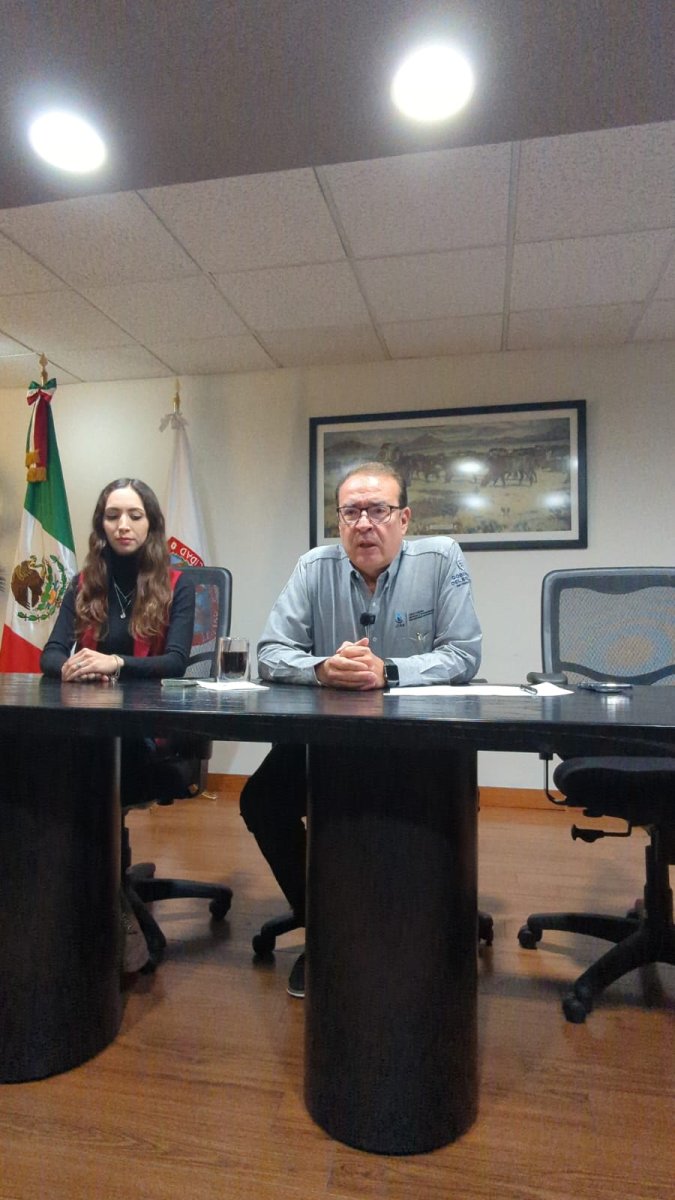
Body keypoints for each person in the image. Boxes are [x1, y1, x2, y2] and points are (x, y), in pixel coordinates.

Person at [240, 460, 482, 997]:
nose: (364, 524)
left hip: (415, 745)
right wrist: (323, 667)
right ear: (339, 520)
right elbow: (271, 652)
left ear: (404, 519)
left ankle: (426, 930)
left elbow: (463, 654)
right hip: (327, 743)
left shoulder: (441, 559)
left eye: (378, 510)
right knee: (262, 801)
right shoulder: (313, 567)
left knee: (422, 810)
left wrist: (388, 670)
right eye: (351, 512)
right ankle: (323, 927)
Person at [41, 477, 195, 972]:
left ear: (151, 524)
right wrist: (70, 666)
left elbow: (176, 662)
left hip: (145, 733)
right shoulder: (84, 583)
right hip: (89, 728)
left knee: (75, 782)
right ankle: (100, 903)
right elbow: (50, 654)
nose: (123, 525)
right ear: (100, 525)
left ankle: (111, 915)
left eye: (134, 515)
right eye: (112, 516)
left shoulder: (177, 584)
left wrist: (116, 663)